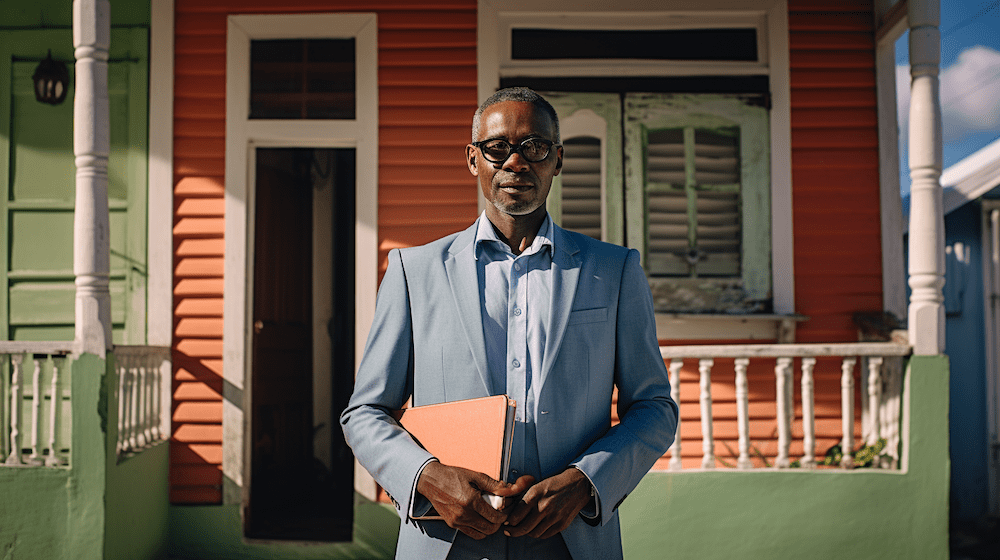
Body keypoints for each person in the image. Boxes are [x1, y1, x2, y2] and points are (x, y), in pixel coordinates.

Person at [340, 87, 678, 560]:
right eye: (497, 147)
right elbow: (365, 413)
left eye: (534, 147)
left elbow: (654, 408)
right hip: (446, 543)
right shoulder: (413, 272)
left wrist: (586, 481)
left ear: (557, 160)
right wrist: (426, 477)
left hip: (571, 541)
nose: (515, 162)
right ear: (472, 159)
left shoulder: (613, 271)